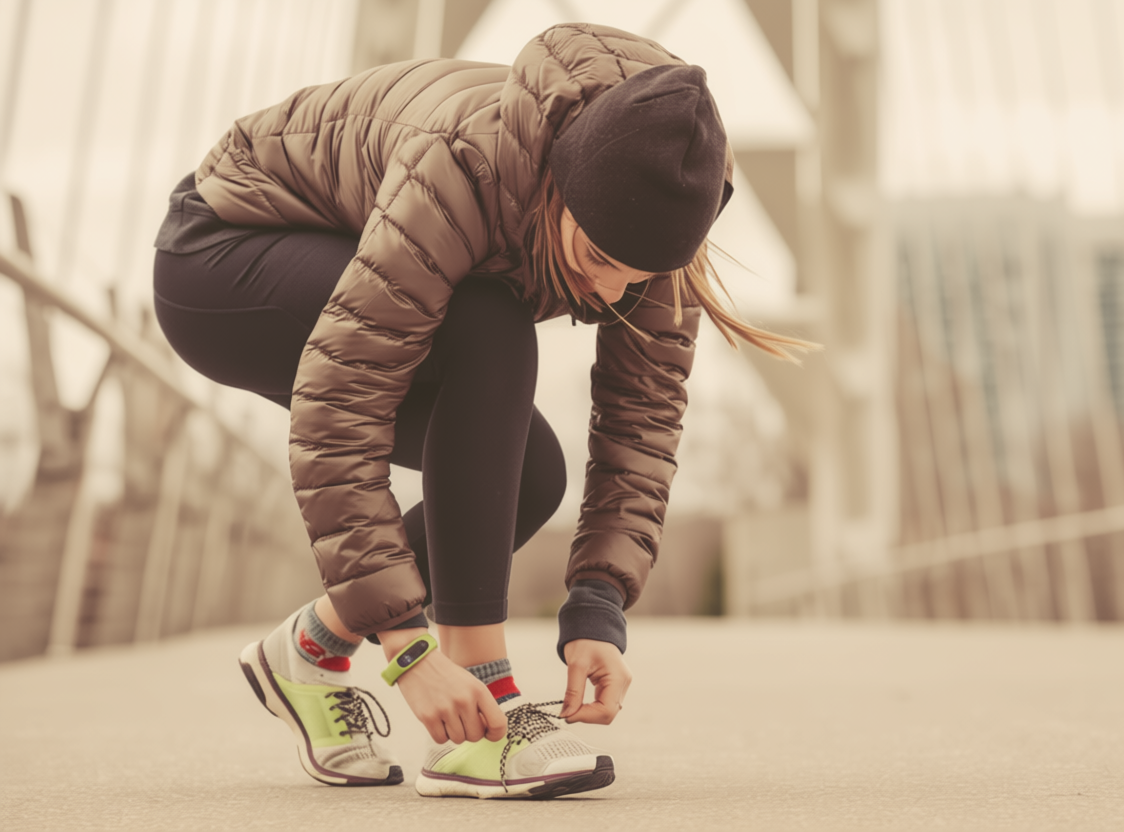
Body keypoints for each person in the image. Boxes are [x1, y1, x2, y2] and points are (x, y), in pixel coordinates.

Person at [152, 22, 811, 799]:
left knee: (527, 475)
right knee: (489, 323)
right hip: (224, 255)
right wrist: (407, 649)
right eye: (598, 259)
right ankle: (484, 699)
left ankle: (309, 649)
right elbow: (341, 409)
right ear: (561, 188)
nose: (608, 293)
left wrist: (598, 606)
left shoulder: (664, 215)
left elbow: (642, 422)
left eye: (635, 278)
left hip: (348, 270)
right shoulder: (463, 167)